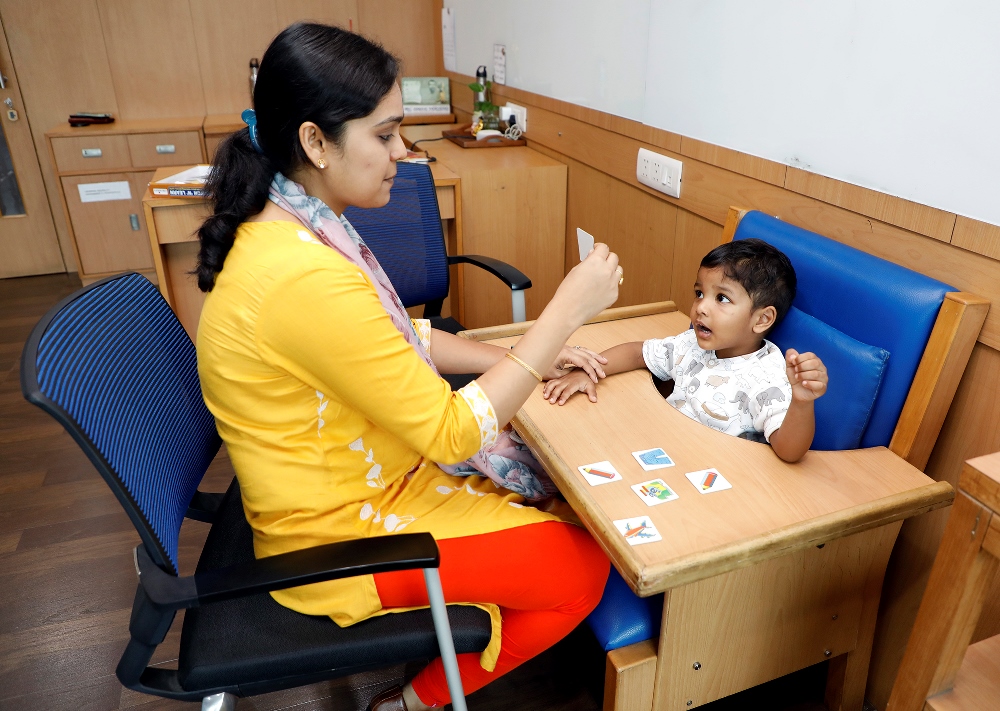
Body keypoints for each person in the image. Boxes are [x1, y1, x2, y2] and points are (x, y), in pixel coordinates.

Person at [195, 23, 622, 711]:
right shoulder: (300, 272)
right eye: (386, 133)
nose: (404, 152)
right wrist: (560, 318)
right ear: (315, 141)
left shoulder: (293, 223)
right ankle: (411, 703)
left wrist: (526, 361)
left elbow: (397, 340)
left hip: (338, 485)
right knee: (582, 566)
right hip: (332, 542)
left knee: (556, 500)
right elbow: (452, 433)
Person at [542, 239, 828, 463]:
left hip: (710, 471)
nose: (701, 307)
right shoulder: (691, 345)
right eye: (700, 293)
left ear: (762, 319)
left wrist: (801, 402)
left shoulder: (766, 376)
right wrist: (587, 372)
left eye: (722, 298)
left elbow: (789, 451)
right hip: (660, 448)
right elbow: (637, 352)